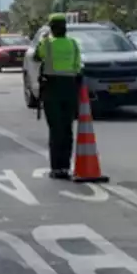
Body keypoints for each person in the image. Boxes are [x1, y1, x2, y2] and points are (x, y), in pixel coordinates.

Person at [32, 13, 83, 180]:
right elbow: (78, 67)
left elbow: (37, 57)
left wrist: (44, 39)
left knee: (56, 130)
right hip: (70, 89)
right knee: (67, 129)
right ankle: (65, 167)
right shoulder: (73, 44)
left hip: (52, 89)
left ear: (52, 28)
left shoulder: (47, 44)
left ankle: (56, 168)